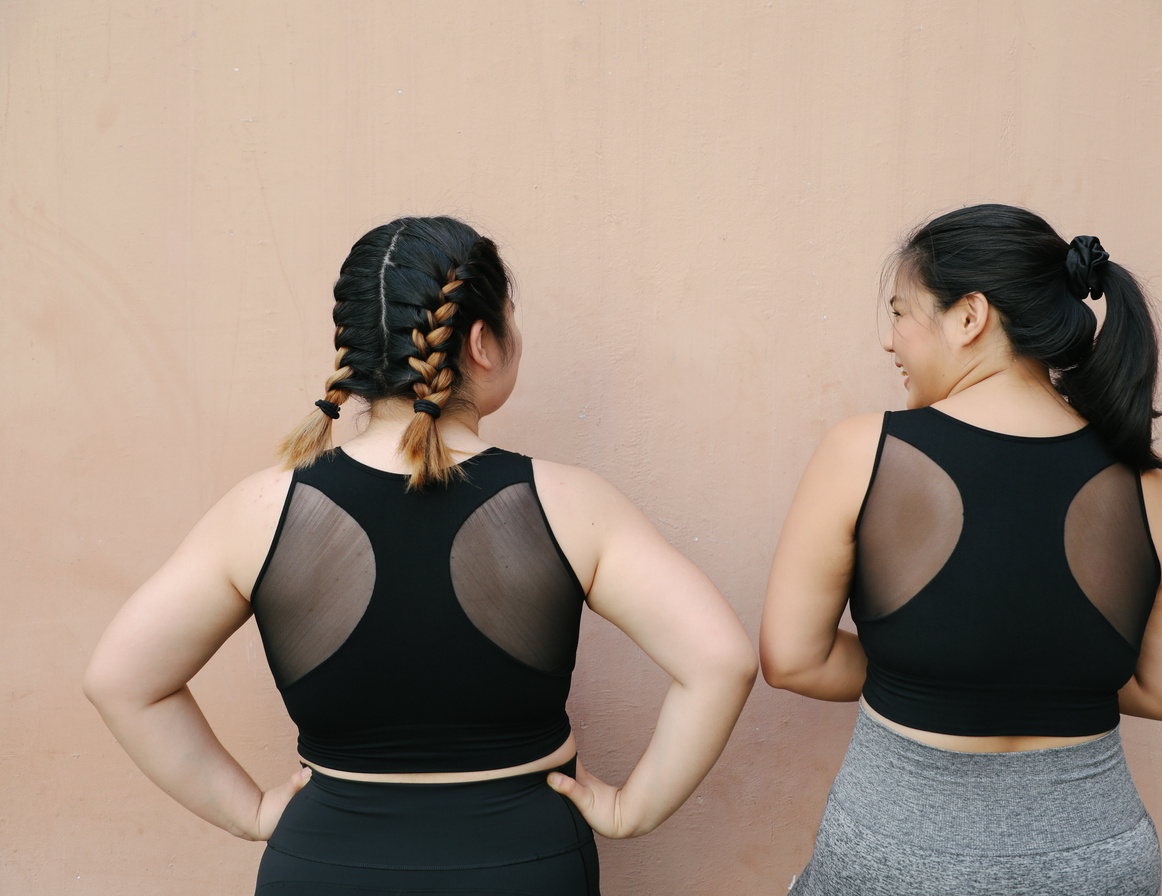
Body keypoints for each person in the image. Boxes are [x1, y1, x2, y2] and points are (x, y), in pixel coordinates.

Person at [84, 215, 758, 895]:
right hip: (525, 868)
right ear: (480, 343)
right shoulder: (571, 503)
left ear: (355, 351)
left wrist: (252, 812)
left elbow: (121, 680)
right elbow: (721, 660)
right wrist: (630, 809)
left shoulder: (258, 513)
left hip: (323, 867)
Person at [759, 204, 1162, 895]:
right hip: (1097, 861)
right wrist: (1034, 676)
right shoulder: (1151, 487)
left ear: (970, 317)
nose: (891, 342)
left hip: (901, 856)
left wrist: (940, 675)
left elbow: (794, 659)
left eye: (902, 313)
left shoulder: (865, 453)